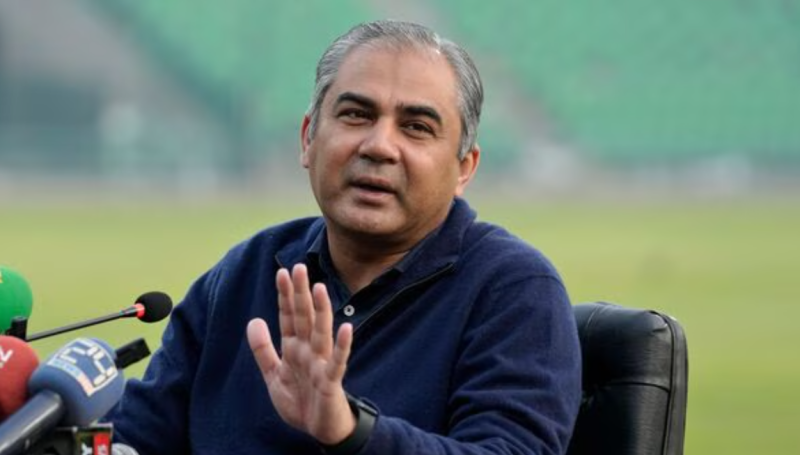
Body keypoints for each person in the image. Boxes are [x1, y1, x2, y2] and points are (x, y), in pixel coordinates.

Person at [104, 19, 582, 455]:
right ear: (308, 139)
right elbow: (134, 440)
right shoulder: (244, 272)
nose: (379, 146)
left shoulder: (513, 290)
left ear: (464, 168)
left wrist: (350, 431)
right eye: (356, 115)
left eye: (416, 127)